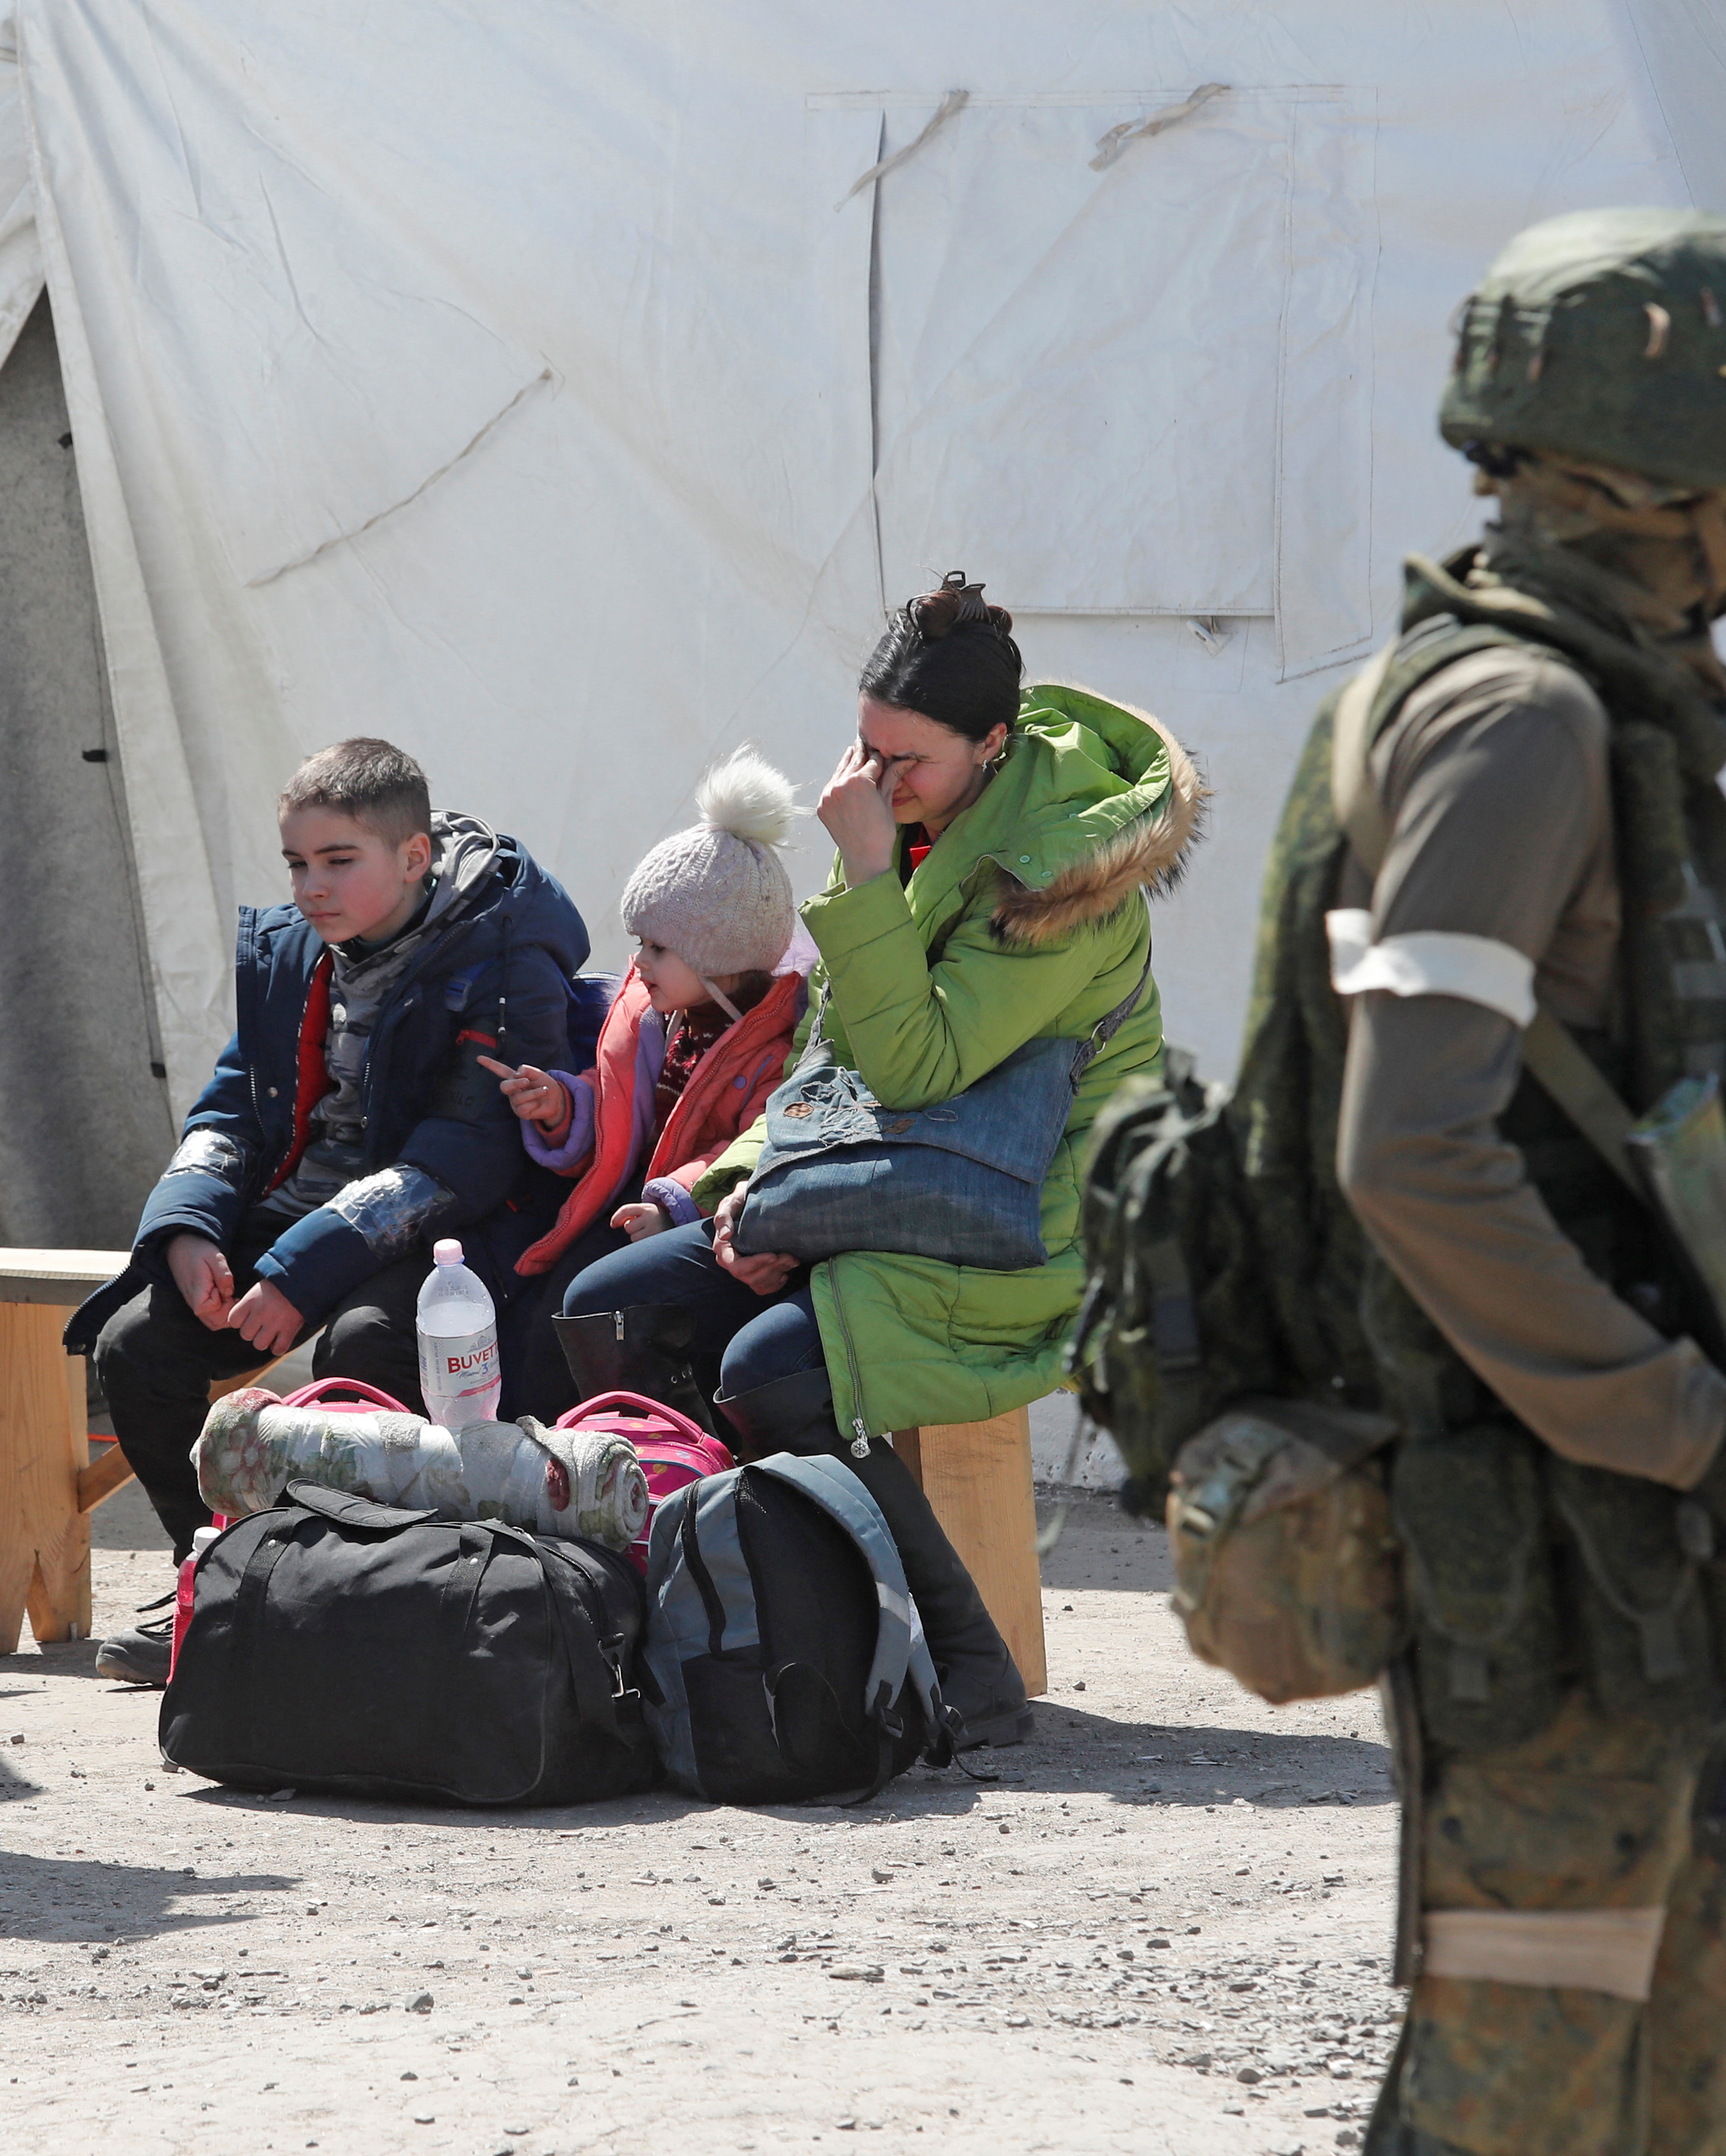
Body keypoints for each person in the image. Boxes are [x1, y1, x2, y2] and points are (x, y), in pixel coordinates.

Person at [1228, 210, 1726, 2156]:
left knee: (1673, 2088)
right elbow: (1407, 1146)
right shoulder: (1515, 719)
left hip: (1621, 1540)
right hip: (1548, 1537)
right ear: (1659, 486)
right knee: (1521, 2078)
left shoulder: (1551, 693)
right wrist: (1682, 1426)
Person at [558, 577, 1200, 1746]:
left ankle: (966, 1665)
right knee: (608, 1311)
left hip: (1026, 1222)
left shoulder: (1061, 880)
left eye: (908, 759)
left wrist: (861, 879)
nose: (875, 781)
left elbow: (913, 1066)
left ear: (994, 747)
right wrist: (704, 1188)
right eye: (865, 747)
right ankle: (737, 1617)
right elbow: (834, 1064)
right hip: (890, 1172)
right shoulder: (929, 825)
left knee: (772, 1376)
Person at [64, 738, 587, 1683]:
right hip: (301, 1218)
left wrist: (300, 1274)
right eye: (298, 863)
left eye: (339, 861)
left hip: (446, 1236)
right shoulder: (290, 952)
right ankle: (216, 1575)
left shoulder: (505, 953)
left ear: (415, 858)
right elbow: (232, 1108)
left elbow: (464, 1159)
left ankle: (352, 1590)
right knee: (137, 1346)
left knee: (367, 1348)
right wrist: (186, 1231)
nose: (312, 886)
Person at [482, 747, 810, 1421]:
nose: (637, 961)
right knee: (534, 1323)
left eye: (659, 947)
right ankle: (536, 1452)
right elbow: (618, 1108)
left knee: (576, 1318)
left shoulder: (774, 1048)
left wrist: (672, 1204)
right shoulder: (663, 1020)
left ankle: (610, 1450)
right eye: (640, 942)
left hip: (698, 1226)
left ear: (719, 954)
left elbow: (743, 1148)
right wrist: (562, 1104)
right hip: (629, 1210)